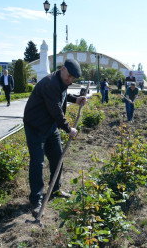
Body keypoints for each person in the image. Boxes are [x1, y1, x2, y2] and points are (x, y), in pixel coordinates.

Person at [23, 59, 87, 217]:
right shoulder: (50, 83)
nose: (71, 80)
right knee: (38, 163)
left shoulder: (61, 81)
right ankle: (36, 200)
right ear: (63, 69)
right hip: (36, 127)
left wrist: (75, 99)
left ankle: (55, 189)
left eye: (73, 78)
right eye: (70, 76)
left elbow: (62, 94)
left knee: (58, 157)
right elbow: (55, 110)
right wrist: (68, 129)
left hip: (50, 126)